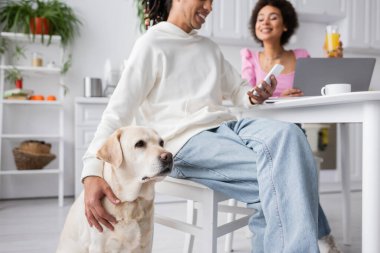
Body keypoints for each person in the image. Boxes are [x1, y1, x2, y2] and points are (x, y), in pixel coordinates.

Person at [81, 0, 337, 252]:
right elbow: (117, 112)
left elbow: (238, 90)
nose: (210, 7)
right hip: (184, 142)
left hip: (226, 128)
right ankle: (320, 239)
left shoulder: (208, 47)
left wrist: (254, 95)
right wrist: (92, 170)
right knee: (279, 178)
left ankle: (313, 239)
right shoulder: (151, 44)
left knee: (291, 134)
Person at [241, 0, 343, 97]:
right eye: (260, 19)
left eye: (273, 18)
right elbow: (247, 99)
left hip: (298, 115)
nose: (265, 22)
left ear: (285, 25)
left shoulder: (301, 56)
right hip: (261, 115)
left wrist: (331, 64)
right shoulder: (249, 58)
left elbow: (316, 90)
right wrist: (281, 99)